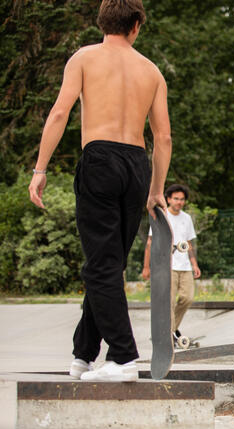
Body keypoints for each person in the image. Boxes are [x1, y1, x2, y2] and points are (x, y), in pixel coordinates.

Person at [28, 0, 171, 382]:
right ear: (136, 25)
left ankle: (124, 358)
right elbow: (164, 137)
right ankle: (84, 353)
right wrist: (156, 189)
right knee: (108, 264)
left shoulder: (84, 58)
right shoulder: (152, 71)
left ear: (102, 22)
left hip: (100, 160)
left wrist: (40, 168)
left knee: (101, 266)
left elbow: (59, 113)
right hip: (137, 165)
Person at [141, 184, 201, 347]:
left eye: (182, 199)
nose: (179, 202)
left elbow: (188, 242)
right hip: (167, 266)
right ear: (168, 199)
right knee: (169, 302)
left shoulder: (186, 218)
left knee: (187, 298)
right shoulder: (161, 215)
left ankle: (169, 331)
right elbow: (150, 242)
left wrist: (194, 263)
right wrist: (146, 267)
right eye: (176, 198)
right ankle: (169, 336)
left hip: (185, 266)